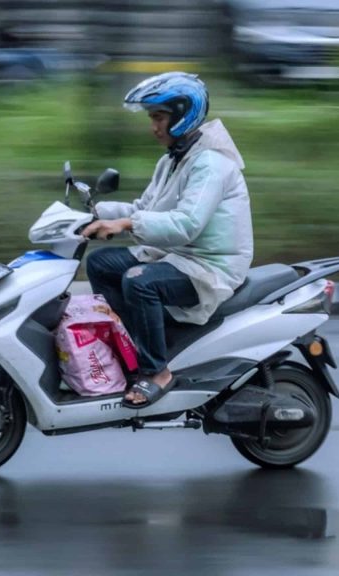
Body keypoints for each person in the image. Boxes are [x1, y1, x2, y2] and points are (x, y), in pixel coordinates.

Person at [82, 72, 253, 409]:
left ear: (182, 115)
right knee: (100, 264)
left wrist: (126, 223)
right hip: (178, 256)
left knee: (138, 281)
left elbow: (186, 224)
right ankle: (137, 349)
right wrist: (94, 212)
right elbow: (145, 209)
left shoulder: (211, 164)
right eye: (152, 118)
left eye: (159, 117)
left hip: (209, 266)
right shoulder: (172, 160)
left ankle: (158, 372)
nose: (153, 126)